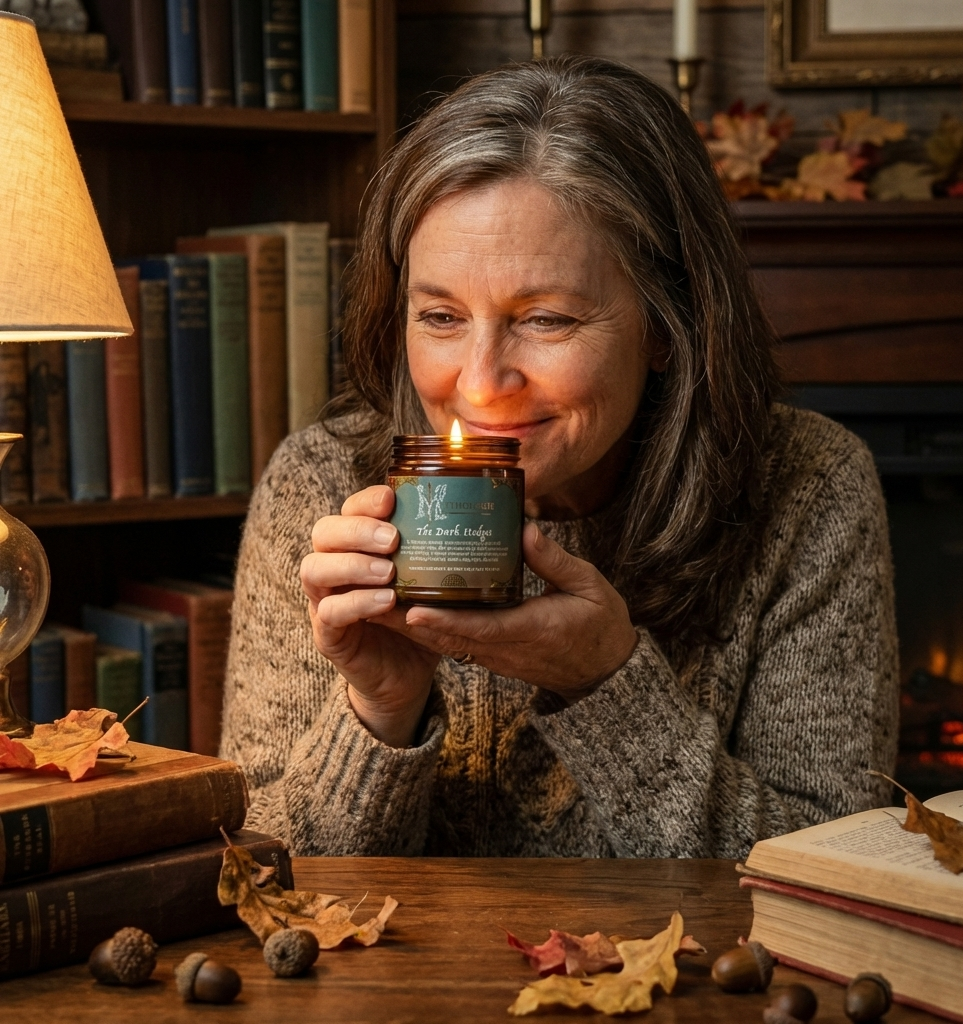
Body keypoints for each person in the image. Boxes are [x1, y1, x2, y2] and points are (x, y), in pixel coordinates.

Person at [220, 54, 898, 859]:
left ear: (664, 326)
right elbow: (260, 884)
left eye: (546, 320)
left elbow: (833, 886)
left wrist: (608, 684)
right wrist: (379, 708)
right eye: (440, 317)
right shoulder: (323, 486)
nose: (479, 384)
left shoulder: (807, 488)